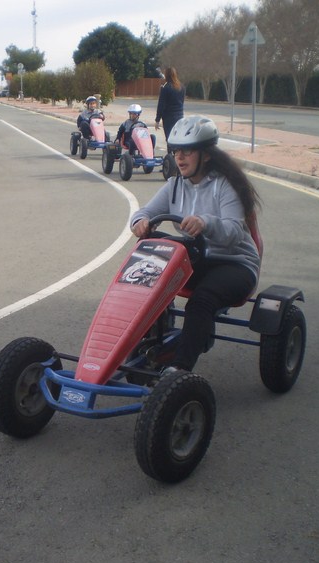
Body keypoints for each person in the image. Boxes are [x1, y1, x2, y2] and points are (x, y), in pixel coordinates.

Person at [129, 115, 262, 374]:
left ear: (206, 155)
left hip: (235, 263)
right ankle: (132, 347)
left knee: (201, 301)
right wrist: (141, 222)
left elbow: (234, 232)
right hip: (198, 258)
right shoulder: (175, 185)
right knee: (145, 270)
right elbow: (144, 212)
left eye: (187, 151)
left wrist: (206, 223)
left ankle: (178, 370)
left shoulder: (225, 186)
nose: (180, 158)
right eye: (176, 151)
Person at [154, 67, 185, 142]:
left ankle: (170, 153)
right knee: (178, 137)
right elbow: (182, 101)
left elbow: (161, 105)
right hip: (180, 115)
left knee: (169, 138)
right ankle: (178, 153)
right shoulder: (181, 86)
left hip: (169, 117)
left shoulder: (165, 88)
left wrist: (157, 120)